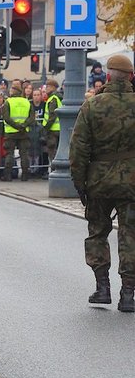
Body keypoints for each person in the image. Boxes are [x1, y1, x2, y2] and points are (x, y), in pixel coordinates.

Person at [70, 54, 135, 312]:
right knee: (130, 234)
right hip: (132, 181)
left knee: (98, 232)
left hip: (98, 181)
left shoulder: (92, 106)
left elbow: (78, 149)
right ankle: (129, 293)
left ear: (108, 76)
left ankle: (102, 287)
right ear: (130, 76)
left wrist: (79, 183)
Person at [1, 82, 35, 181]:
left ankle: (7, 175)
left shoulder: (8, 102)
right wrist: (23, 125)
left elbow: (6, 117)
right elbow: (32, 117)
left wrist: (16, 126)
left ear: (13, 91)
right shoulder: (27, 102)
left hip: (11, 132)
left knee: (9, 153)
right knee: (24, 154)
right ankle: (25, 175)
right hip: (24, 132)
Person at [42, 79, 62, 168]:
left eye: (48, 86)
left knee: (52, 152)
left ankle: (54, 170)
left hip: (52, 130)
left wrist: (45, 128)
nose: (46, 89)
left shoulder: (53, 99)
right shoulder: (57, 97)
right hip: (59, 129)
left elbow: (52, 116)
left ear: (53, 88)